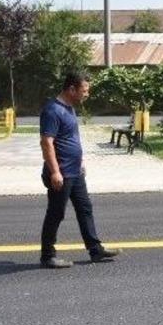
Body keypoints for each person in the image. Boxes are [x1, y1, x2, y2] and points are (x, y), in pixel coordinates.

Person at [39, 72, 119, 268]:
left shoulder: (69, 108)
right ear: (71, 89)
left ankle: (95, 249)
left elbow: (70, 137)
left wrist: (80, 160)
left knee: (85, 209)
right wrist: (55, 172)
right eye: (84, 90)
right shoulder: (52, 110)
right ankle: (47, 256)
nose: (87, 94)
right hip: (61, 173)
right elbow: (46, 143)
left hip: (75, 171)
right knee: (56, 213)